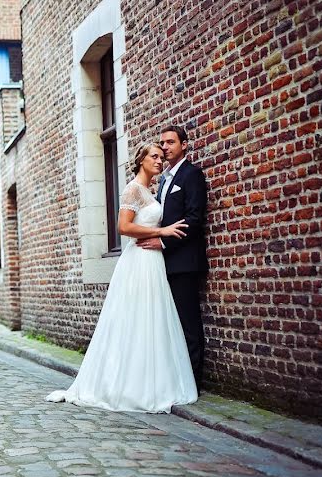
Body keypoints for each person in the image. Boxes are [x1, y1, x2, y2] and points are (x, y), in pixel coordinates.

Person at [46, 143, 198, 412]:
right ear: (141, 160)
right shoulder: (132, 189)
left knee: (153, 319)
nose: (160, 161)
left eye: (162, 158)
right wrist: (162, 233)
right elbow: (123, 227)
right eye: (155, 157)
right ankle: (126, 386)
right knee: (135, 317)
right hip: (138, 261)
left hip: (153, 261)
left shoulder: (152, 190)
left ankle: (154, 382)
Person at [138, 126, 208, 388]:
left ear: (184, 145)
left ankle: (193, 383)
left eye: (171, 142)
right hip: (163, 264)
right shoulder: (164, 180)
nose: (165, 147)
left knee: (188, 324)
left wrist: (163, 242)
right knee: (170, 324)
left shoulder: (192, 175)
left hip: (184, 263)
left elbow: (193, 219)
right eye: (163, 143)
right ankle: (176, 377)